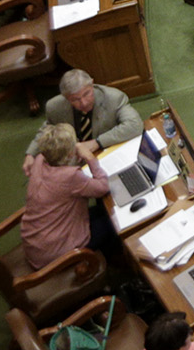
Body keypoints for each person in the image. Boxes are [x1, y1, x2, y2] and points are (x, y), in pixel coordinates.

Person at [21, 122, 111, 266]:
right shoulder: (70, 176)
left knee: (102, 211)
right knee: (114, 222)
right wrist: (90, 158)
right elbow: (103, 187)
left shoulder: (39, 160)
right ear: (70, 154)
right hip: (57, 254)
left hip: (37, 244)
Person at [25, 70, 140, 155]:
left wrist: (97, 142)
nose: (84, 103)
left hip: (107, 152)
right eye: (75, 99)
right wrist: (31, 154)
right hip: (75, 160)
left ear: (92, 84)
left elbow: (135, 125)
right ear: (66, 98)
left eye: (86, 94)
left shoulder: (114, 98)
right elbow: (48, 130)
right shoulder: (54, 106)